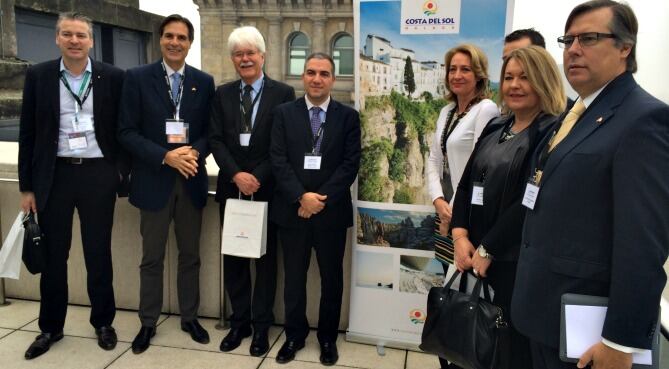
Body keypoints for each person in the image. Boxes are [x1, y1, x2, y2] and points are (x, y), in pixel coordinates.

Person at [510, 2, 669, 369]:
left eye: (589, 38)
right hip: (545, 314)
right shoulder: (576, 113)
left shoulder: (643, 120)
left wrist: (620, 340)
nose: (574, 49)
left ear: (625, 47)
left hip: (588, 333)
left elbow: (643, 243)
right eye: (568, 40)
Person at [18, 11, 127, 360]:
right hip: (56, 175)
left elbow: (123, 130)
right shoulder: (39, 75)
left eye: (81, 35)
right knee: (54, 256)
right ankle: (50, 327)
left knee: (98, 254)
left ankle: (103, 323)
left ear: (91, 41)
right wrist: (27, 187)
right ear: (58, 38)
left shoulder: (112, 77)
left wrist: (119, 173)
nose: (74, 41)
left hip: (98, 174)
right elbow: (28, 134)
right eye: (68, 34)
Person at [451, 45, 566, 369]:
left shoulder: (551, 132)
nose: (514, 85)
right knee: (469, 344)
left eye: (525, 78)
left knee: (504, 349)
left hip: (512, 263)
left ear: (543, 80)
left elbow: (530, 198)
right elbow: (466, 182)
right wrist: (460, 236)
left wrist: (488, 249)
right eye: (509, 77)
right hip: (471, 253)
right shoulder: (496, 126)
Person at [117, 14, 215, 354]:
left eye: (182, 38)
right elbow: (126, 132)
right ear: (161, 39)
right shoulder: (137, 78)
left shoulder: (203, 82)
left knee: (191, 256)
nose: (176, 43)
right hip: (153, 180)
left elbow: (209, 133)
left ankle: (189, 317)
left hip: (190, 181)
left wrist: (192, 154)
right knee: (151, 258)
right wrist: (165, 156)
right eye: (170, 36)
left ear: (190, 43)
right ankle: (148, 322)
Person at [208, 26, 295, 356]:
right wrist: (236, 175)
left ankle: (261, 327)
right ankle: (239, 323)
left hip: (267, 190)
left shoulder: (283, 93)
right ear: (233, 59)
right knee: (234, 259)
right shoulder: (222, 94)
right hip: (232, 190)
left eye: (250, 53)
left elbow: (281, 143)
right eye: (238, 54)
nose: (244, 59)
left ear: (262, 55)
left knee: (266, 261)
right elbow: (215, 139)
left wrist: (255, 176)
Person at [270, 52, 361, 366]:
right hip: (293, 212)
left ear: (333, 79)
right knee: (293, 280)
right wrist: (300, 197)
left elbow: (350, 165)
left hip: (330, 215)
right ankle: (294, 336)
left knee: (331, 280)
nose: (317, 79)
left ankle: (326, 338)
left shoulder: (348, 117)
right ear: (303, 76)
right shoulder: (283, 113)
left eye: (324, 73)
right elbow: (278, 160)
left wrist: (318, 199)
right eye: (311, 72)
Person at [426, 43, 499, 268]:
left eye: (465, 69)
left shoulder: (486, 109)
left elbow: (479, 167)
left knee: (462, 277)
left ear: (479, 75)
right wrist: (437, 199)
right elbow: (434, 159)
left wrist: (453, 211)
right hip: (444, 207)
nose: (457, 75)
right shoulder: (445, 111)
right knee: (446, 272)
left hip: (465, 213)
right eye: (452, 69)